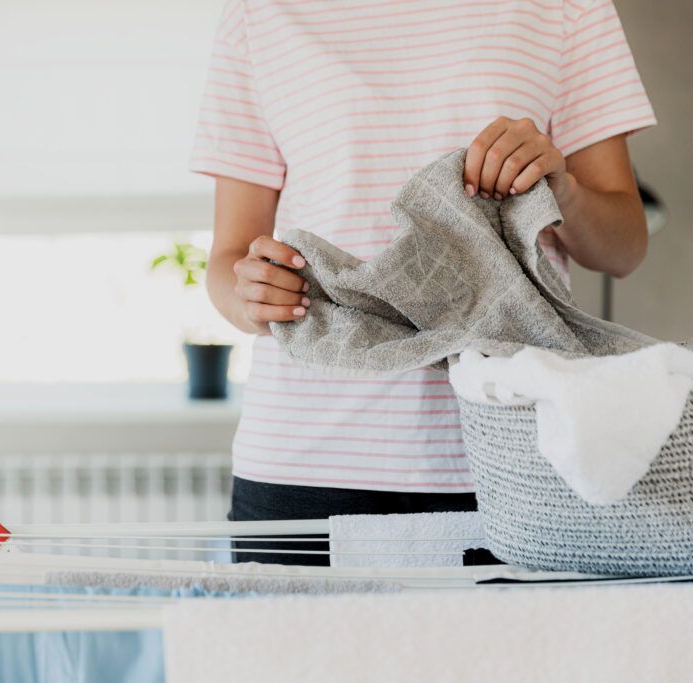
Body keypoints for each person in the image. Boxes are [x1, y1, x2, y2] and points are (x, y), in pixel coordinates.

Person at [189, 0, 656, 565]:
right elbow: (230, 259)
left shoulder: (568, 8)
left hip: (515, 451)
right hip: (305, 459)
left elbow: (624, 247)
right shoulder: (257, 14)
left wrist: (562, 189)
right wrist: (252, 296)